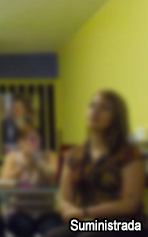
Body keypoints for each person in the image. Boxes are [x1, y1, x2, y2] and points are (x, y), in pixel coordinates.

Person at [45, 90, 147, 237]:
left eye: (104, 108)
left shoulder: (129, 154)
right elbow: (63, 197)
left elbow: (130, 204)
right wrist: (74, 215)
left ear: (116, 117)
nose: (95, 111)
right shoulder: (75, 155)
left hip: (127, 224)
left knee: (90, 235)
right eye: (92, 106)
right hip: (85, 221)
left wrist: (85, 213)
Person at [1, 125, 62, 237]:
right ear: (20, 142)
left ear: (40, 140)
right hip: (19, 210)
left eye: (34, 139)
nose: (31, 142)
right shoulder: (12, 157)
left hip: (46, 210)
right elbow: (4, 181)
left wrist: (37, 159)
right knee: (24, 228)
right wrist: (24, 165)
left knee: (52, 230)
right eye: (26, 139)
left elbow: (53, 176)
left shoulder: (50, 156)